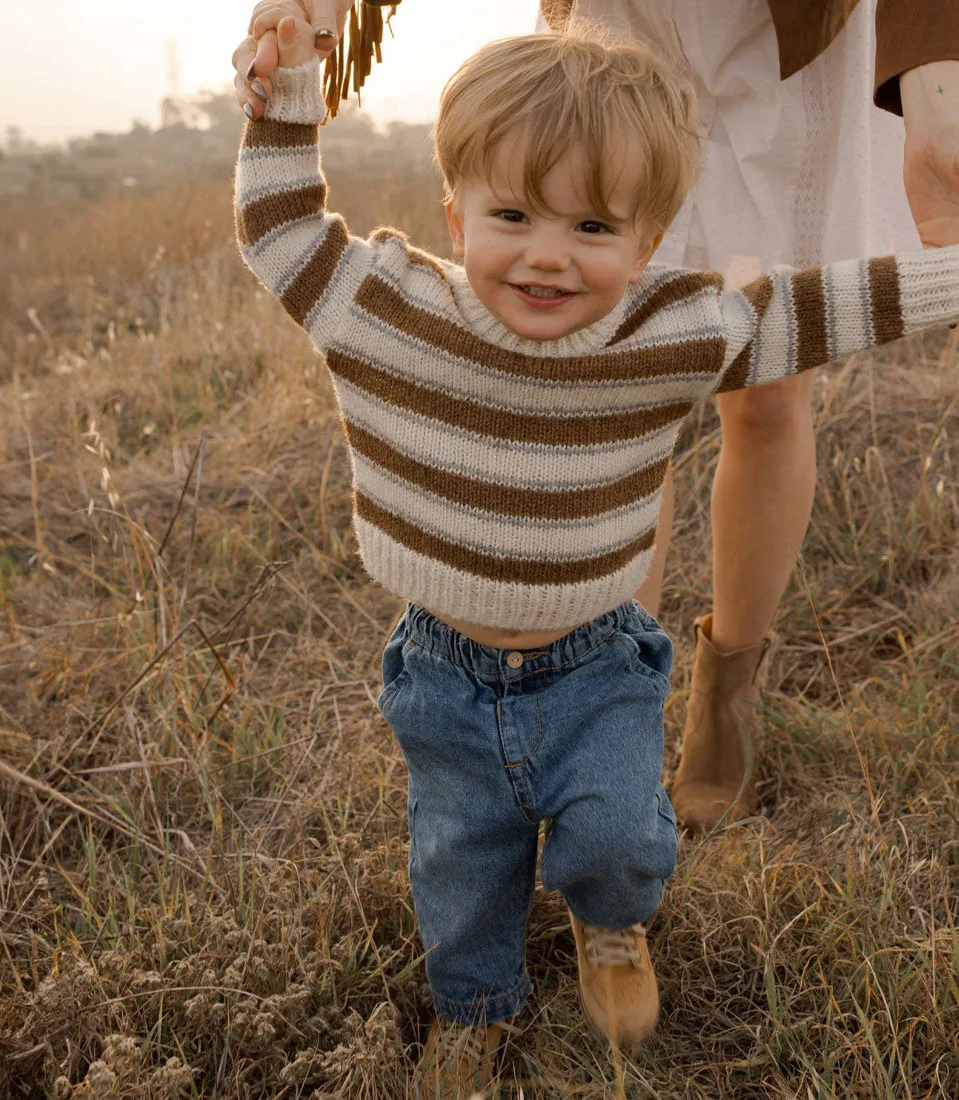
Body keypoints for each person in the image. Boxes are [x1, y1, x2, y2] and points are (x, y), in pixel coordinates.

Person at [232, 5, 959, 1093]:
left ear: (651, 245)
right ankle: (471, 1012)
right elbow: (283, 228)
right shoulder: (388, 306)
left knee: (619, 831)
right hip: (439, 669)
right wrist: (287, 93)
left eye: (589, 231)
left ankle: (610, 919)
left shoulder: (670, 329)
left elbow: (834, 306)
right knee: (459, 861)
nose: (543, 256)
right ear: (452, 208)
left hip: (597, 666)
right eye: (512, 214)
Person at [533, 0, 959, 831]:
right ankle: (611, 719)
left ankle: (727, 699)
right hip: (625, 25)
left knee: (769, 391)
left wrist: (938, 89)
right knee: (622, 383)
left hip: (793, 37)